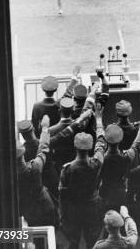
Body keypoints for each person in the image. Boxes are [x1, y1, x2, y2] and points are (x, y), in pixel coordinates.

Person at [59, 106, 106, 249]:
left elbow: (62, 194)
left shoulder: (67, 169)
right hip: (92, 206)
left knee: (73, 241)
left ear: (75, 147)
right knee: (91, 241)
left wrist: (62, 214)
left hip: (74, 208)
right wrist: (98, 120)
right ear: (90, 148)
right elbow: (101, 143)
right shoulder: (96, 162)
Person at [16, 115, 57, 227]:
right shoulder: (35, 166)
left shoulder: (12, 175)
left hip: (28, 209)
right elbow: (43, 148)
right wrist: (45, 128)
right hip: (45, 204)